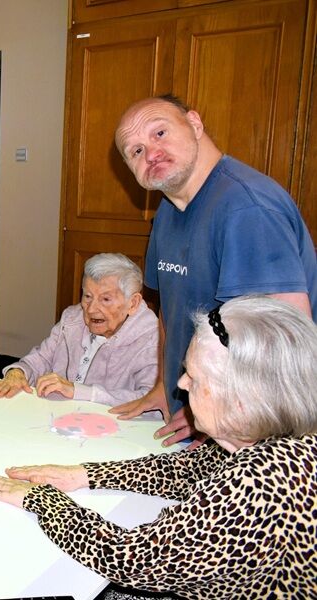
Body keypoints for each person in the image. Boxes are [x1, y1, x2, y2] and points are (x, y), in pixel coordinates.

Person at [0, 296, 317, 597]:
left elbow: (131, 560)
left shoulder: (256, 484)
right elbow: (187, 469)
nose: (181, 384)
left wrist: (44, 501)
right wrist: (84, 474)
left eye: (195, 378)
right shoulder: (274, 434)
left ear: (243, 401)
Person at [108, 94, 317, 446]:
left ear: (195, 123)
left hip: (253, 434)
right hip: (201, 414)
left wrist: (217, 417)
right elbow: (169, 313)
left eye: (159, 133)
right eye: (136, 151)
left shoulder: (245, 208)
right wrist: (164, 385)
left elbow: (283, 346)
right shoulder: (167, 212)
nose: (150, 153)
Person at [0, 253, 157, 406]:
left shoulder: (152, 338)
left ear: (133, 303)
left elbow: (151, 400)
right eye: (87, 296)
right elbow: (43, 357)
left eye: (105, 299)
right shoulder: (72, 319)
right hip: (56, 417)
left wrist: (79, 391)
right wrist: (19, 371)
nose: (91, 309)